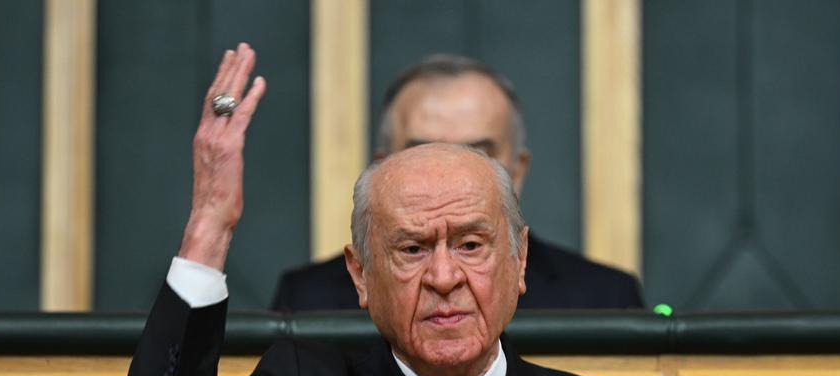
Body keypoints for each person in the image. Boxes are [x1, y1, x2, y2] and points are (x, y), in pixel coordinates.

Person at [115, 44, 723, 376]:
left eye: (471, 244)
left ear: (520, 262)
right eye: (411, 249)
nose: (443, 276)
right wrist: (209, 229)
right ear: (360, 274)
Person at [270, 54, 644, 311]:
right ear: (380, 170)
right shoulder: (309, 301)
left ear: (519, 170)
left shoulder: (602, 299)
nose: (450, 176)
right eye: (424, 153)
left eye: (478, 154)